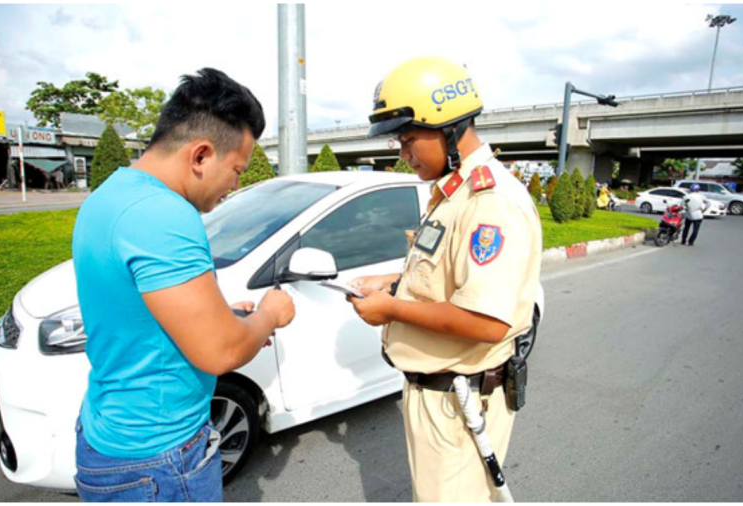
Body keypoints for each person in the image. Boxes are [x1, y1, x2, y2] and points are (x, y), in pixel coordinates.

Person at [71, 68, 295, 502]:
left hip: (110, 431)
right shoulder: (165, 215)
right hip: (158, 457)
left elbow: (142, 315)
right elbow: (222, 351)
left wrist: (227, 320)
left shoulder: (111, 194)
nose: (235, 186)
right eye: (236, 170)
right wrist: (269, 315)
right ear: (201, 155)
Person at [346, 57, 542, 502]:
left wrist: (390, 309)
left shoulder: (489, 203)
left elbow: (486, 322)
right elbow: (444, 279)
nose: (403, 153)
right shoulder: (456, 190)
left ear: (448, 127)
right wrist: (393, 284)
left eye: (408, 139)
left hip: (457, 401)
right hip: (439, 394)